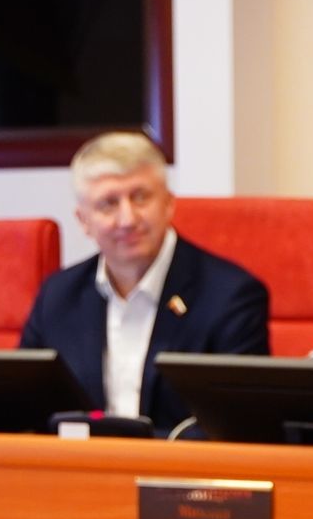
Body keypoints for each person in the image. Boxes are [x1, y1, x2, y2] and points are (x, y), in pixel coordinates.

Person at [17, 132, 268, 434]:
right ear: (83, 220)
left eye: (140, 197)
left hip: (178, 463)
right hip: (80, 461)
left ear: (168, 204)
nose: (127, 219)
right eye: (108, 204)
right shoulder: (57, 296)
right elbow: (24, 409)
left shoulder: (230, 296)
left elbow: (239, 425)